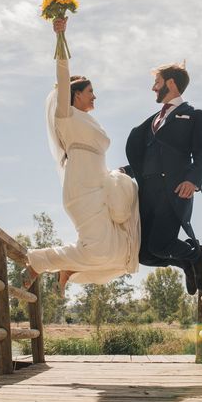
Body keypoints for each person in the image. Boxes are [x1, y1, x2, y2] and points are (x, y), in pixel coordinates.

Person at [25, 18, 140, 294]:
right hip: (80, 187)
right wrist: (61, 36)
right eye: (90, 92)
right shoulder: (66, 116)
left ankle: (67, 267)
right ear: (74, 95)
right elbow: (63, 75)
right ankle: (38, 262)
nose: (95, 96)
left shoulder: (91, 123)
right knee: (100, 249)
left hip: (100, 187)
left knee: (117, 252)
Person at [121, 62, 202, 295]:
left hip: (173, 191)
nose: (153, 88)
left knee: (161, 245)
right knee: (144, 255)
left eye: (157, 83)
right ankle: (185, 264)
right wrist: (126, 171)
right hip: (147, 194)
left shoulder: (194, 116)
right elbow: (150, 159)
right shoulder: (152, 120)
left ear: (170, 83)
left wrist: (193, 180)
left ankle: (196, 255)